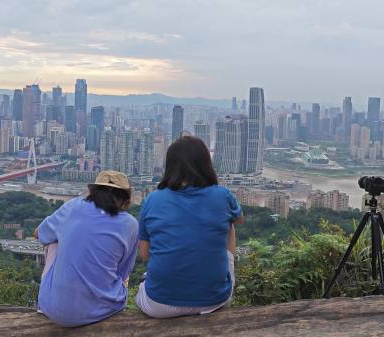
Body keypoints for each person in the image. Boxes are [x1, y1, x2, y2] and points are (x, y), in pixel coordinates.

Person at [135, 136, 244, 318]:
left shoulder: (153, 199)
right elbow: (239, 219)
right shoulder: (223, 195)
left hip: (159, 304)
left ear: (169, 166)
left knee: (145, 282)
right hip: (214, 300)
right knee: (230, 225)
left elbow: (145, 255)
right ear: (205, 164)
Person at [35, 170, 138, 327]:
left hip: (54, 310)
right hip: (104, 310)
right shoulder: (130, 224)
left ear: (93, 192)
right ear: (125, 200)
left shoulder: (72, 207)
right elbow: (122, 273)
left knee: (52, 240)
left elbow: (38, 234)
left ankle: (53, 296)